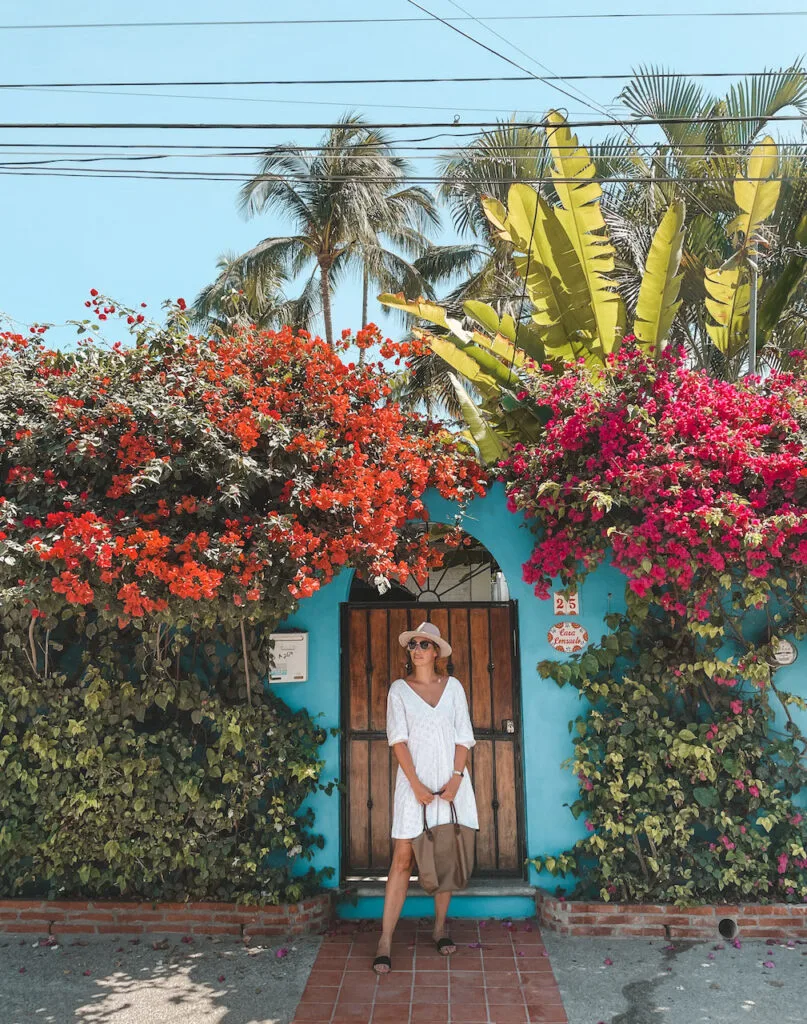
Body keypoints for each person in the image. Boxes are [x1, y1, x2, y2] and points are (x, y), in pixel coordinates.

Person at [372, 621, 478, 974]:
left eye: (424, 644)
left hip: (450, 785)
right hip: (412, 786)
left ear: (437, 652)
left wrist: (457, 778)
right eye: (413, 644)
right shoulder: (399, 690)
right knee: (403, 859)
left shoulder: (454, 688)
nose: (417, 648)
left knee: (444, 855)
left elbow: (464, 735)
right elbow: (397, 739)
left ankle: (439, 929)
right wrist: (415, 784)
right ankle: (385, 940)